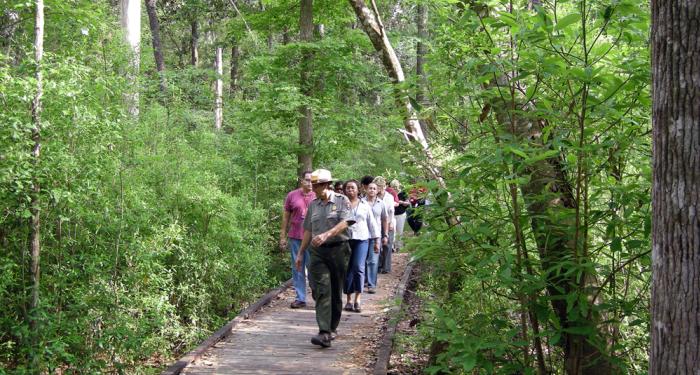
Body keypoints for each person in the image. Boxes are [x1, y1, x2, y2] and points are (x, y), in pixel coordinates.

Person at [295, 169, 355, 348]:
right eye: (312, 185)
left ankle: (332, 328)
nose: (314, 188)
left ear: (326, 184)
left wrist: (327, 235)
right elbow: (308, 230)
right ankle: (324, 331)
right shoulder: (313, 204)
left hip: (338, 250)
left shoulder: (341, 200)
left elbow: (346, 222)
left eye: (317, 185)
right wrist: (300, 253)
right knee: (321, 289)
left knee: (336, 291)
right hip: (317, 252)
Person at [280, 170, 316, 309]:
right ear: (302, 181)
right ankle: (300, 297)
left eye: (312, 180)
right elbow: (286, 217)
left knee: (313, 267)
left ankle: (316, 290)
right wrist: (282, 235)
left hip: (313, 238)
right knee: (298, 267)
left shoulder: (317, 195)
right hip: (296, 236)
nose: (310, 183)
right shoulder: (292, 195)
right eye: (307, 180)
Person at [342, 180, 379, 313]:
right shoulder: (342, 204)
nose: (350, 190)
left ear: (358, 190)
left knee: (358, 267)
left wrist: (377, 241)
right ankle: (348, 299)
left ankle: (358, 298)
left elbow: (372, 224)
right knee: (347, 269)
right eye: (348, 188)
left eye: (352, 188)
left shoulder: (365, 205)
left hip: (362, 239)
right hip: (346, 240)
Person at [364, 182, 388, 294]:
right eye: (370, 188)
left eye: (374, 188)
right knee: (363, 260)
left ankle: (371, 284)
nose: (372, 190)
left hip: (376, 236)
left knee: (373, 261)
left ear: (377, 190)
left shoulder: (381, 203)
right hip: (363, 235)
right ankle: (363, 281)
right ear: (366, 189)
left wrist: (385, 235)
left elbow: (384, 219)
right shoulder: (361, 202)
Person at [373, 176, 395, 274]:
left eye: (379, 187)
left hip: (389, 222)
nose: (378, 189)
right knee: (378, 244)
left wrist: (390, 224)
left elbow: (391, 212)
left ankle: (386, 267)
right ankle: (378, 265)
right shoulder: (373, 197)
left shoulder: (389, 197)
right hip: (377, 223)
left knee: (387, 245)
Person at [391, 179, 410, 252]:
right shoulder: (390, 193)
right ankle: (392, 247)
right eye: (393, 186)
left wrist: (401, 202)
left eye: (396, 186)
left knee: (400, 231)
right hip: (391, 214)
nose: (395, 187)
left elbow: (408, 203)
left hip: (401, 214)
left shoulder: (403, 193)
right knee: (392, 231)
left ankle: (399, 247)